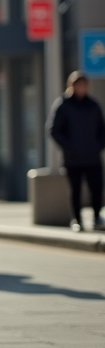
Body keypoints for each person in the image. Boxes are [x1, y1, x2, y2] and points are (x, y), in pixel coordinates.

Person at [48, 71, 105, 232]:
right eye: (79, 85)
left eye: (84, 85)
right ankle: (77, 220)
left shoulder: (93, 105)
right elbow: (54, 130)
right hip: (73, 158)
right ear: (71, 86)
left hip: (93, 157)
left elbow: (102, 128)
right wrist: (70, 147)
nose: (82, 88)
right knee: (76, 190)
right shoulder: (63, 105)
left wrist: (98, 146)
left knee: (97, 188)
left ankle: (96, 217)